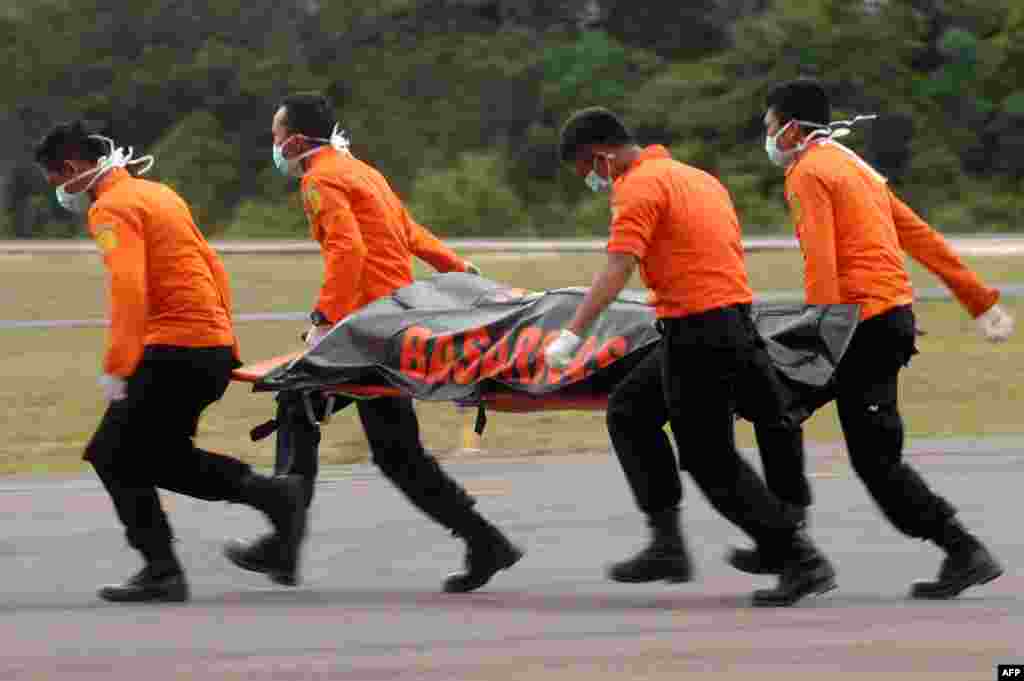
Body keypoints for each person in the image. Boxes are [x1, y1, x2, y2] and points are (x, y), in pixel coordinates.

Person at [226, 92, 522, 593]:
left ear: (295, 139)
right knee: (395, 451)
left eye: (276, 136)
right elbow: (411, 233)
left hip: (371, 329)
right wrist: (459, 269)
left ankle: (284, 539)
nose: (273, 145)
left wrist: (323, 319)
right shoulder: (362, 170)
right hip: (397, 321)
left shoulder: (320, 178)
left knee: (298, 398)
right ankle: (484, 541)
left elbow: (348, 250)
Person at [545, 106, 836, 606]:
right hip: (731, 323)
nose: (592, 181)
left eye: (587, 171)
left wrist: (572, 334)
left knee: (709, 459)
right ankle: (667, 545)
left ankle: (798, 557)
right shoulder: (698, 179)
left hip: (698, 334)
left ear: (601, 156)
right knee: (630, 411)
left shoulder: (636, 187)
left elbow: (619, 267)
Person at [728, 77, 1007, 599]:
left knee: (777, 408)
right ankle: (957, 551)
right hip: (883, 322)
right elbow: (918, 233)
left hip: (856, 325)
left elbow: (822, 262)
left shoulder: (809, 173)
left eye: (769, 128)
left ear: (790, 129)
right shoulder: (854, 166)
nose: (767, 138)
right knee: (853, 447)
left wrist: (819, 336)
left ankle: (792, 550)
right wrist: (977, 298)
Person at [34, 120, 307, 603]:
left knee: (111, 454)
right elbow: (212, 265)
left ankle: (162, 569)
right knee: (162, 458)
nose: (61, 194)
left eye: (56, 181)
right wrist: (224, 342)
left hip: (173, 350)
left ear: (73, 168)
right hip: (208, 347)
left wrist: (119, 364)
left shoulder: (111, 208)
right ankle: (273, 497)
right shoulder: (158, 194)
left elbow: (129, 289)